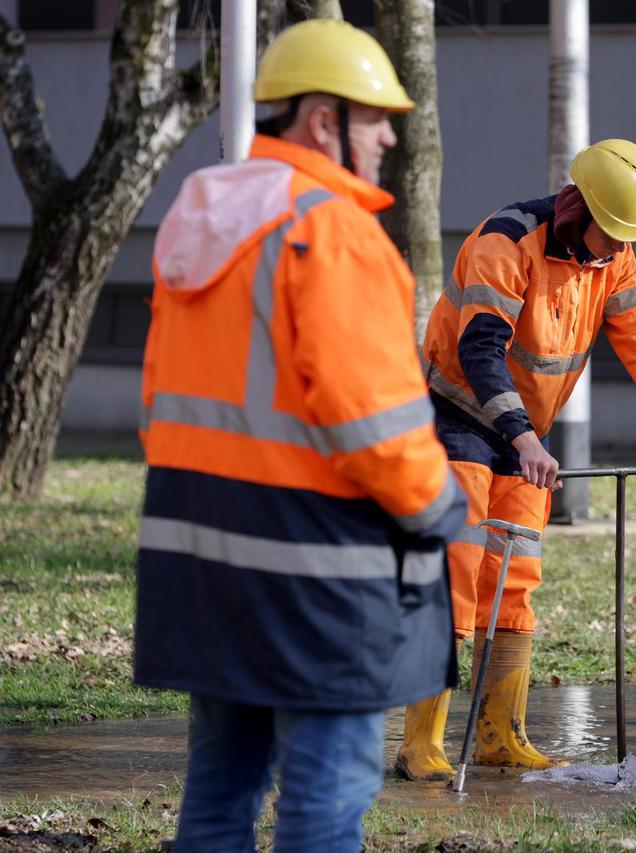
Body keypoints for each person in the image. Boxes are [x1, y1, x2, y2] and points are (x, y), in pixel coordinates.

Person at [132, 20, 466, 851]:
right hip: (314, 570)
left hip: (202, 553)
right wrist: (441, 505)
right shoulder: (336, 233)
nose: (392, 132)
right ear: (323, 120)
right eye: (375, 116)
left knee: (219, 789)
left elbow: (160, 400)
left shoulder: (202, 218)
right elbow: (375, 422)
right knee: (327, 796)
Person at [395, 138, 636, 780]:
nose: (618, 246)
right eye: (612, 232)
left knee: (514, 580)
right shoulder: (506, 242)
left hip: (525, 435)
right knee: (453, 575)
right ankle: (421, 744)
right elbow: (481, 350)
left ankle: (499, 736)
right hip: (454, 415)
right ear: (581, 209)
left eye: (628, 237)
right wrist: (522, 437)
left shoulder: (617, 262)